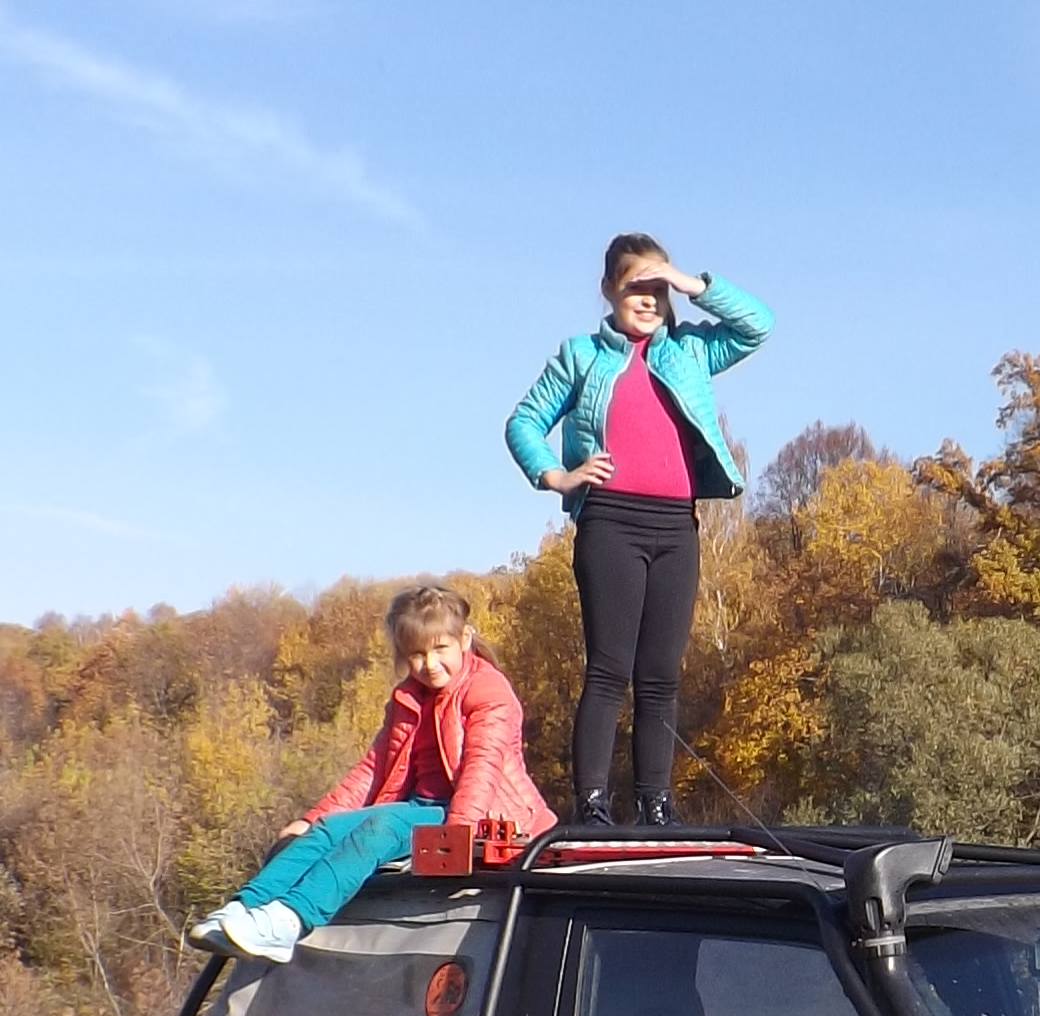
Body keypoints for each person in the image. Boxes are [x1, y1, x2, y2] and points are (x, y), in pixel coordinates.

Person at [503, 233, 772, 826]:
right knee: (609, 669)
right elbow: (523, 421)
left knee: (661, 676)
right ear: (608, 290)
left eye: (658, 289)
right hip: (611, 524)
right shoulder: (582, 355)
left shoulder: (691, 351)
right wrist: (556, 475)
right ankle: (593, 804)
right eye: (635, 288)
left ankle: (656, 803)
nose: (649, 300)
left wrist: (690, 283)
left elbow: (758, 325)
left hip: (677, 528)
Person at [188, 584, 558, 961]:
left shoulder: (488, 691)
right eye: (417, 654)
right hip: (423, 806)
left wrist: (456, 835)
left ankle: (290, 920)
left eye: (440, 649)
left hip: (483, 815)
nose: (430, 664)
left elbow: (483, 766)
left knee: (380, 828)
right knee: (327, 829)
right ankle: (245, 906)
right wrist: (310, 819)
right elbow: (374, 768)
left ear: (464, 639)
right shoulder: (409, 698)